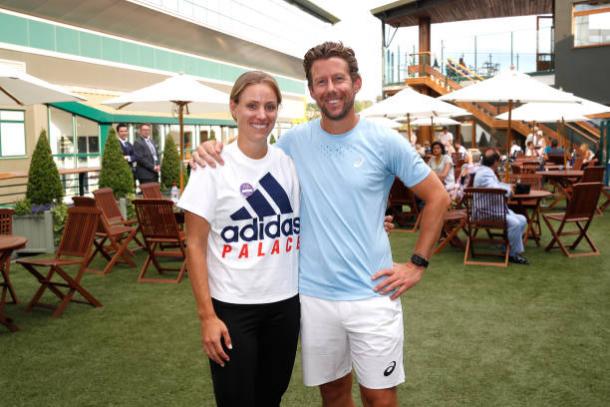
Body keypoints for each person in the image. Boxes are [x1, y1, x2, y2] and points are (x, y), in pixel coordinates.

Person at [192, 41, 450, 407]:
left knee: (380, 398)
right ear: (311, 90)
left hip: (373, 295)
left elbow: (438, 197)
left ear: (356, 83)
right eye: (321, 82)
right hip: (313, 298)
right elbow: (250, 156)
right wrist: (207, 150)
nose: (331, 89)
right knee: (333, 395)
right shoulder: (291, 144)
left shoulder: (384, 141)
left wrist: (417, 263)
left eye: (339, 79)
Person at [179, 71, 301, 406]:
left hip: (285, 304)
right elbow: (194, 244)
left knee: (270, 397)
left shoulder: (287, 164)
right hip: (233, 309)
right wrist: (207, 316)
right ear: (233, 108)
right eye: (252, 105)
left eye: (270, 106)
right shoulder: (212, 165)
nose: (261, 115)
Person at [474, 149, 529, 265]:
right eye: (498, 162)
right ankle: (513, 254)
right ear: (495, 162)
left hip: (490, 210)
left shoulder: (485, 171)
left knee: (522, 219)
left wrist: (509, 186)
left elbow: (496, 185)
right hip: (485, 213)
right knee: (515, 223)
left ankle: (507, 249)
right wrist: (509, 190)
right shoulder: (485, 173)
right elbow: (496, 189)